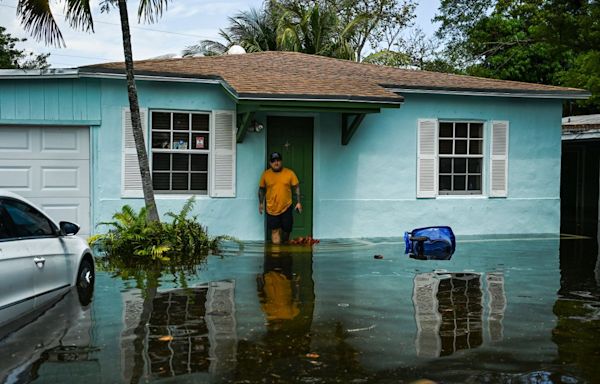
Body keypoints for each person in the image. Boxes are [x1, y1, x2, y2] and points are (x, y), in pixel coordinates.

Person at [258, 152, 302, 244]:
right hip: (271, 208)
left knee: (287, 230)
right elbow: (261, 189)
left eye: (278, 160)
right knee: (274, 231)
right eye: (273, 161)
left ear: (281, 161)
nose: (276, 163)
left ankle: (284, 246)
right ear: (270, 163)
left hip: (286, 206)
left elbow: (296, 186)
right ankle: (276, 255)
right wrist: (261, 203)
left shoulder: (289, 173)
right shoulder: (266, 175)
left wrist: (298, 202)